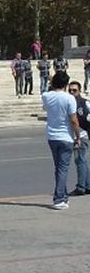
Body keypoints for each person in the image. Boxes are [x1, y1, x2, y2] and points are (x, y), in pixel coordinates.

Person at [42, 72, 81, 210]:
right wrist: (77, 136)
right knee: (63, 168)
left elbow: (46, 104)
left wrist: (51, 82)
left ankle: (63, 196)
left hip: (52, 136)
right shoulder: (69, 98)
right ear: (65, 84)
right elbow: (73, 120)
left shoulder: (46, 96)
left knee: (58, 167)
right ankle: (59, 198)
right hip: (66, 136)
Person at [67, 82, 90, 196]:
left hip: (81, 136)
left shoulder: (84, 103)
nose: (72, 92)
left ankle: (81, 187)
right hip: (73, 136)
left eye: (74, 90)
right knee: (82, 161)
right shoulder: (68, 102)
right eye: (70, 90)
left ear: (79, 91)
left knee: (80, 160)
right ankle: (87, 185)